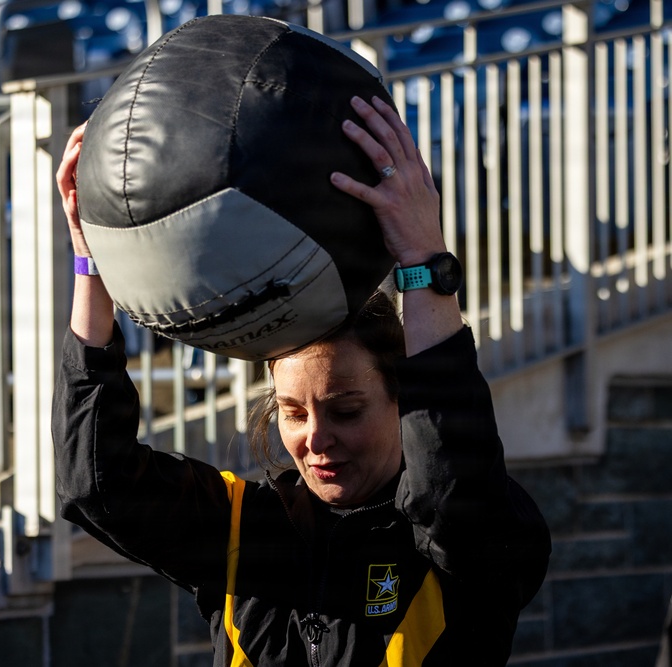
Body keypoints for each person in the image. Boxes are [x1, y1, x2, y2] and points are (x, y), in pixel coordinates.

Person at [52, 94, 551, 665]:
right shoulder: (244, 529)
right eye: (293, 411)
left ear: (404, 403)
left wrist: (423, 258)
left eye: (346, 410)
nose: (315, 439)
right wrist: (92, 264)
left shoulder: (469, 543)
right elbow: (94, 484)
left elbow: (451, 486)